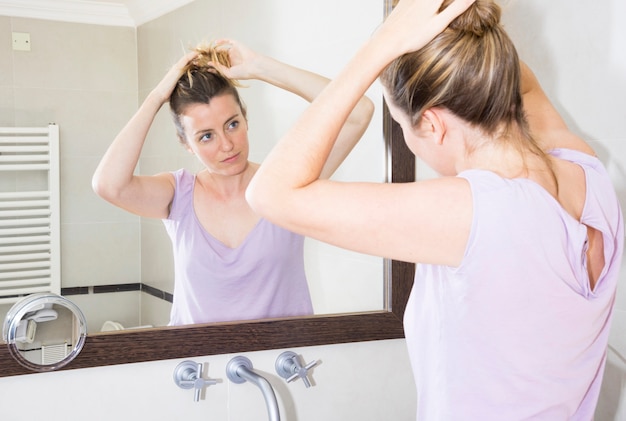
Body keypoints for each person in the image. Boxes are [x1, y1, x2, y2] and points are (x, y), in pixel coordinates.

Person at [246, 0, 624, 419]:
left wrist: (382, 48)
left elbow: (269, 193)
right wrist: (458, 32)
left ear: (432, 124)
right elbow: (524, 83)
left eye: (402, 125)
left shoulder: (470, 214)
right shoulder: (587, 174)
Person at [92, 40, 374, 326]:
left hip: (282, 363)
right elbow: (108, 185)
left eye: (232, 124)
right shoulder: (178, 195)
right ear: (186, 144)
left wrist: (261, 68)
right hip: (197, 367)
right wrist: (156, 97)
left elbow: (358, 113)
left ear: (245, 119)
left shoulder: (282, 184)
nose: (227, 145)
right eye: (206, 136)